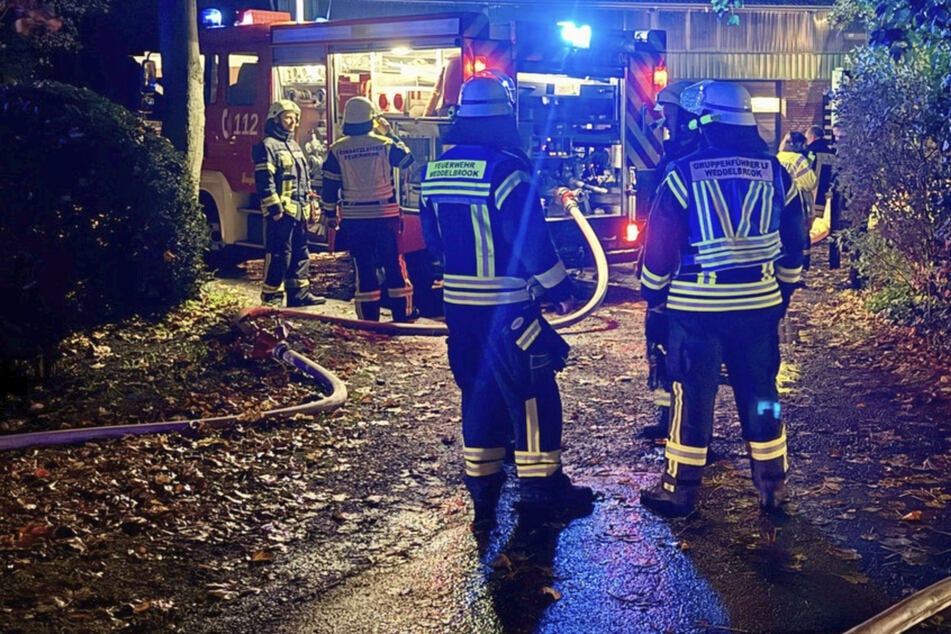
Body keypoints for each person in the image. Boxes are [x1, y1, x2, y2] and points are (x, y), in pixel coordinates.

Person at [419, 73, 594, 532]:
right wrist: (560, 289)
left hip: (459, 309)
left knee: (478, 393)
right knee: (533, 394)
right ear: (504, 117)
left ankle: (483, 490)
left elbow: (434, 244)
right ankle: (541, 489)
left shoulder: (434, 172)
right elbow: (531, 242)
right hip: (508, 308)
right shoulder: (507, 172)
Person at [638, 81, 807, 516]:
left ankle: (681, 490)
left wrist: (654, 295)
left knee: (692, 395)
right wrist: (780, 291)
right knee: (762, 393)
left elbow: (659, 251)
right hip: (758, 307)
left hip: (697, 312)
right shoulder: (776, 172)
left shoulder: (682, 174)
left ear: (704, 122)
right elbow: (795, 245)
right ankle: (773, 487)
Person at [640, 79, 705, 441]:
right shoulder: (674, 152)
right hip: (670, 264)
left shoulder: (692, 157)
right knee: (660, 343)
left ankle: (688, 431)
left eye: (670, 115)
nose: (665, 121)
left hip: (685, 273)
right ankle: (666, 418)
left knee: (684, 353)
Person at [320, 96, 416, 322]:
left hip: (354, 218)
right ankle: (403, 313)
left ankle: (368, 317)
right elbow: (407, 160)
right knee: (394, 262)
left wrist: (330, 214)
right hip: (384, 215)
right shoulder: (384, 144)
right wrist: (389, 132)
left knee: (363, 265)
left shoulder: (337, 149)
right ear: (372, 119)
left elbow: (330, 185)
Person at [252, 100, 326, 307]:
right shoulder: (267, 146)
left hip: (299, 211)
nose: (292, 122)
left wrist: (312, 202)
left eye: (294, 117)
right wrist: (274, 208)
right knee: (279, 255)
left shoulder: (293, 146)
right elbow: (264, 180)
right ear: (275, 119)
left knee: (301, 252)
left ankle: (299, 294)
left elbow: (304, 178)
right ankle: (272, 297)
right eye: (287, 117)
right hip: (281, 213)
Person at [777, 131, 817, 269]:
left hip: (779, 201)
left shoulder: (777, 157)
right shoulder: (798, 159)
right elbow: (810, 183)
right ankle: (803, 262)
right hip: (800, 202)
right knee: (803, 231)